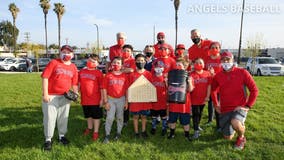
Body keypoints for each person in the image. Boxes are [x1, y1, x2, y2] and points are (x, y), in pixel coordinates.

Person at [211, 51, 259, 150]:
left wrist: (247, 106)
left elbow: (254, 90)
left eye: (228, 59)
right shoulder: (218, 76)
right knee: (227, 137)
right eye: (223, 60)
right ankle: (235, 127)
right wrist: (216, 104)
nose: (225, 62)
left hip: (239, 107)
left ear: (233, 60)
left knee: (235, 122)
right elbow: (213, 91)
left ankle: (241, 137)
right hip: (225, 109)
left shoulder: (243, 72)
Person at [41, 45, 78, 151]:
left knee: (63, 117)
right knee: (49, 118)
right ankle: (48, 139)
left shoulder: (73, 67)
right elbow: (45, 77)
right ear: (60, 53)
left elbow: (74, 83)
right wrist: (45, 94)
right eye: (64, 52)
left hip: (65, 96)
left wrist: (75, 94)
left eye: (68, 52)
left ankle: (61, 136)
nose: (66, 54)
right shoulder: (54, 62)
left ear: (72, 55)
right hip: (51, 96)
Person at [102, 56, 128, 143]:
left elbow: (127, 89)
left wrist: (126, 102)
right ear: (111, 64)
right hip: (110, 99)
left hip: (121, 99)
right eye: (114, 63)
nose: (116, 64)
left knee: (120, 117)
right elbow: (104, 89)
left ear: (121, 65)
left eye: (118, 63)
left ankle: (118, 132)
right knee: (110, 117)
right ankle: (107, 134)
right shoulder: (108, 75)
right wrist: (105, 102)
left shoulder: (124, 76)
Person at [167, 58, 194, 141]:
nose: (177, 66)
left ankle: (187, 135)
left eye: (179, 65)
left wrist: (189, 82)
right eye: (176, 65)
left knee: (185, 121)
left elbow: (190, 90)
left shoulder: (189, 77)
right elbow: (169, 89)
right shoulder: (171, 75)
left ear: (185, 66)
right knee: (172, 120)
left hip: (184, 105)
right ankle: (172, 134)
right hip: (173, 103)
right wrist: (166, 82)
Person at [78, 54, 104, 141]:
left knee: (96, 116)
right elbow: (79, 84)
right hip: (85, 99)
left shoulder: (99, 73)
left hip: (95, 99)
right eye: (89, 60)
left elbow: (102, 87)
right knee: (88, 115)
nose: (90, 63)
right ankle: (89, 128)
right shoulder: (81, 71)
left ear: (97, 64)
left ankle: (95, 131)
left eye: (93, 62)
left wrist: (102, 99)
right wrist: (76, 92)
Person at [128, 54, 152, 138]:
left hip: (145, 99)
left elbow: (151, 87)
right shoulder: (132, 74)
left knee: (144, 116)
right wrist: (129, 99)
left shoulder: (148, 74)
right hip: (135, 99)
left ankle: (144, 131)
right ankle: (136, 132)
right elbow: (129, 87)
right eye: (138, 61)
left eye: (142, 61)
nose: (140, 62)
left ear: (145, 62)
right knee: (135, 116)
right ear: (135, 62)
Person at [190, 58, 212, 139]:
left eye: (201, 63)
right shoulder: (191, 74)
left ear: (203, 64)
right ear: (194, 64)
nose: (199, 64)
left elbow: (209, 86)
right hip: (194, 98)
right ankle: (196, 131)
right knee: (196, 114)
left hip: (203, 98)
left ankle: (197, 125)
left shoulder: (207, 73)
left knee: (200, 113)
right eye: (197, 63)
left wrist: (207, 96)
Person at [205, 41, 222, 129]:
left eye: (216, 47)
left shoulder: (222, 59)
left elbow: (224, 72)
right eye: (212, 47)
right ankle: (210, 119)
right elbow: (204, 70)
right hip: (209, 84)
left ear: (219, 49)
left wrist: (214, 73)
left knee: (217, 104)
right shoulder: (207, 58)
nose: (214, 49)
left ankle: (219, 125)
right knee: (210, 102)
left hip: (218, 85)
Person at [150, 61, 168, 136]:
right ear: (154, 68)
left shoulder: (165, 77)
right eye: (157, 67)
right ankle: (153, 127)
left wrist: (166, 81)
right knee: (154, 114)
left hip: (163, 99)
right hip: (154, 99)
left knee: (163, 115)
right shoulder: (151, 76)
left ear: (163, 68)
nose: (158, 69)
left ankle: (164, 128)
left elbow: (169, 88)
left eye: (160, 67)